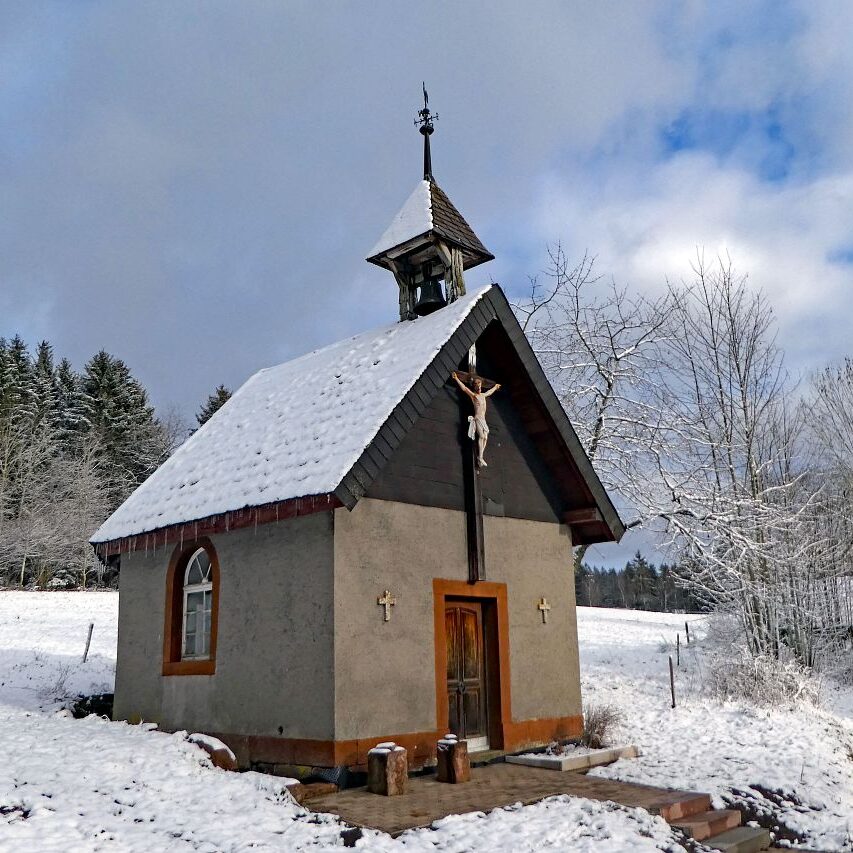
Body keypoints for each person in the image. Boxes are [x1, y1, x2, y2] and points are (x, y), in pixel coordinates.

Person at [452, 371, 501, 467]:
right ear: (475, 387)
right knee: (482, 436)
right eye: (477, 387)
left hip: (483, 419)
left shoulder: (483, 395)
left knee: (486, 437)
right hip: (478, 418)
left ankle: (480, 457)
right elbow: (465, 388)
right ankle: (480, 457)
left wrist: (495, 387)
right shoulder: (474, 396)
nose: (478, 388)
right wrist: (457, 378)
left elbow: (489, 392)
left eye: (479, 386)